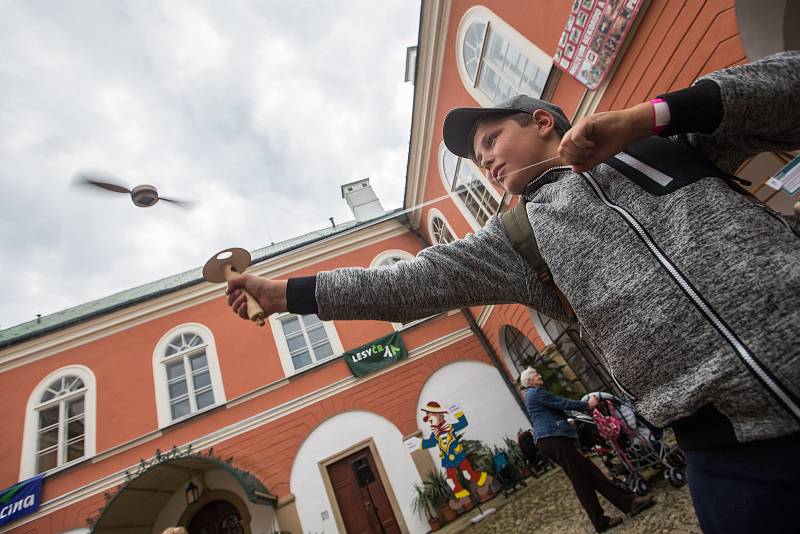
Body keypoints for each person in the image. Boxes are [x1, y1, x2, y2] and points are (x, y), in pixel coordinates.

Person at [226, 51, 800, 533]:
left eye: (493, 139)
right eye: (478, 160)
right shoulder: (513, 239)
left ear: (543, 121)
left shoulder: (656, 142)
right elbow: (404, 284)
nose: (486, 161)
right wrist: (285, 294)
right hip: (730, 454)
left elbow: (786, 86)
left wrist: (650, 118)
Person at [520, 367, 652, 532]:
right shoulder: (536, 393)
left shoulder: (532, 395)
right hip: (554, 439)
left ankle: (607, 517)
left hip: (550, 440)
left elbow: (559, 408)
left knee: (584, 478)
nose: (539, 375)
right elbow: (563, 403)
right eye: (535, 375)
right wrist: (588, 405)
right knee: (588, 475)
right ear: (529, 381)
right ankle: (628, 504)